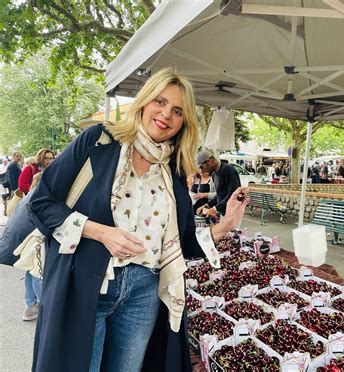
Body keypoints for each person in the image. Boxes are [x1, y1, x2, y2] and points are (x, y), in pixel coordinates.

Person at [28, 67, 248, 372]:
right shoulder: (99, 142)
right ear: (144, 102)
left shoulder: (174, 171)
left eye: (177, 111)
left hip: (144, 292)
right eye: (159, 102)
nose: (166, 115)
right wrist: (100, 232)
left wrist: (225, 225)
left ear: (185, 122)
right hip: (86, 284)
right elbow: (41, 202)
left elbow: (182, 241)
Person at [0, 172, 44, 320]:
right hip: (27, 238)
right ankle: (44, 307)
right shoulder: (41, 198)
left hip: (17, 237)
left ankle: (30, 306)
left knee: (30, 269)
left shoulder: (29, 196)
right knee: (38, 271)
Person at [195, 150, 241, 219]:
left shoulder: (228, 170)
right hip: (222, 212)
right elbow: (219, 194)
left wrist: (215, 209)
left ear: (209, 162)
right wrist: (207, 205)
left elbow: (233, 194)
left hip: (232, 212)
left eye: (202, 167)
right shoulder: (214, 174)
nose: (202, 171)